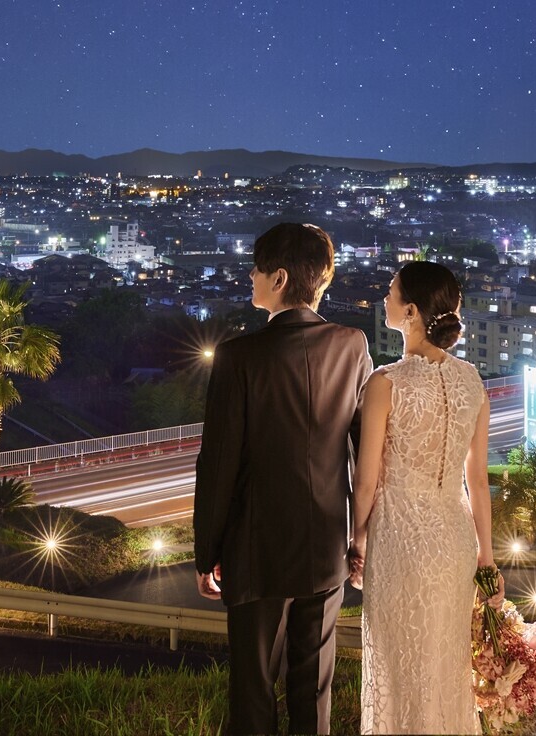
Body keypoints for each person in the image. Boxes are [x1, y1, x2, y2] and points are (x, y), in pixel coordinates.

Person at [194, 222, 373, 736]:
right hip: (325, 549)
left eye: (256, 269)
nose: (249, 277)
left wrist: (207, 553)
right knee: (313, 689)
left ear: (278, 277)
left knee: (253, 691)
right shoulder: (352, 345)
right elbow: (363, 451)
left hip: (256, 552)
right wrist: (358, 537)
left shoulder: (239, 356)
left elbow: (219, 464)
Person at [348, 262, 503, 736]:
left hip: (401, 541)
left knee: (399, 670)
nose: (385, 298)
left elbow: (368, 482)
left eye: (391, 292)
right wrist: (488, 560)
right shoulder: (473, 382)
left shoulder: (386, 383)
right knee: (445, 669)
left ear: (411, 311)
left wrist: (357, 541)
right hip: (454, 540)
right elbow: (477, 481)